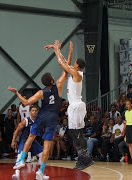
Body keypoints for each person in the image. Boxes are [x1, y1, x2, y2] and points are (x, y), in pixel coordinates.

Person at [8, 71, 67, 179]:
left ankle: (21, 160)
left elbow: (25, 103)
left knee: (30, 137)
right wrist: (65, 53)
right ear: (52, 80)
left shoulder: (41, 92)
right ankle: (41, 171)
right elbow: (65, 71)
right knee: (47, 146)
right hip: (52, 117)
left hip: (42, 115)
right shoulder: (58, 85)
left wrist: (17, 93)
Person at [45, 40, 94, 170]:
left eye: (75, 63)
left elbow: (62, 64)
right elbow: (65, 63)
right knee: (74, 133)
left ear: (77, 65)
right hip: (74, 106)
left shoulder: (77, 74)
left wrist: (56, 50)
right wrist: (65, 51)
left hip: (76, 106)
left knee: (76, 133)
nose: (73, 64)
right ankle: (83, 157)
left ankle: (85, 158)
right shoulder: (74, 71)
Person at [11, 105, 43, 172]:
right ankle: (16, 173)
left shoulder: (39, 121)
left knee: (43, 154)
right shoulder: (26, 120)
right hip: (24, 140)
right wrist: (13, 141)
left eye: (36, 110)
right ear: (30, 112)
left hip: (33, 141)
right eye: (33, 110)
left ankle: (40, 172)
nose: (34, 112)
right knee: (19, 158)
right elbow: (17, 131)